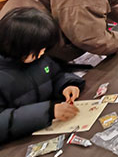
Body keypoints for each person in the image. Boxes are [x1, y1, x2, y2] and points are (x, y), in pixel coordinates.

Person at [0, 8, 85, 143]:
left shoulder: (38, 60)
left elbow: (55, 76)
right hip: (16, 146)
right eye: (38, 49)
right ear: (17, 46)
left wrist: (66, 85)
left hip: (45, 132)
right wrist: (48, 112)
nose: (42, 52)